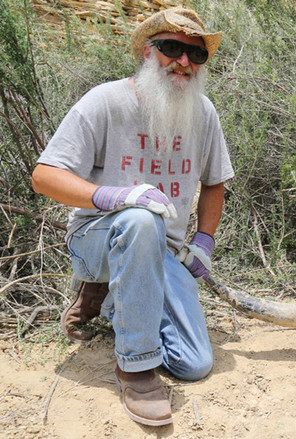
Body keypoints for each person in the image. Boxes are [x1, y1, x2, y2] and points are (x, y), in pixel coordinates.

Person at [31, 7, 233, 427]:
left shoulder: (204, 112)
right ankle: (136, 368)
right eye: (172, 48)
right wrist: (113, 195)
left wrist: (203, 241)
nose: (184, 62)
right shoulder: (106, 101)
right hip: (99, 239)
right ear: (146, 52)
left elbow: (215, 182)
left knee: (193, 364)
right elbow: (44, 176)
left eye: (196, 55)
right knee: (141, 218)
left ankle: (108, 298)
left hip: (163, 253)